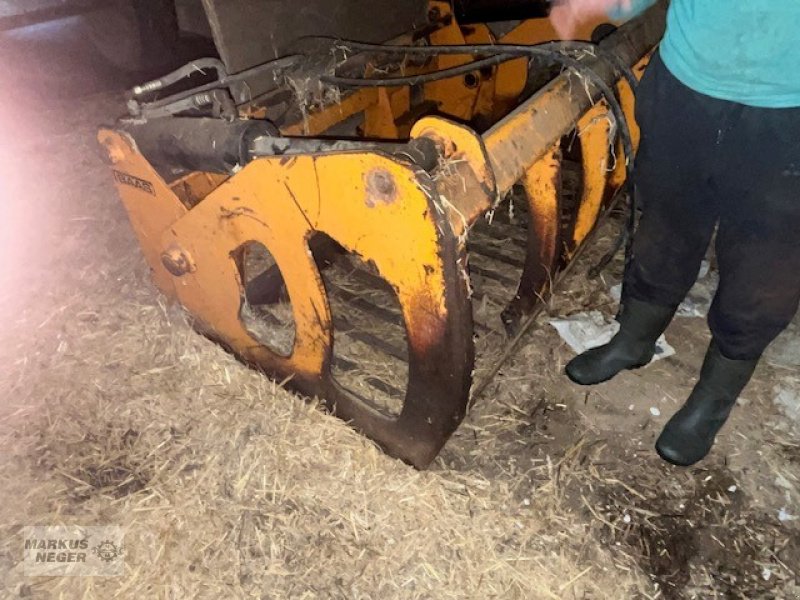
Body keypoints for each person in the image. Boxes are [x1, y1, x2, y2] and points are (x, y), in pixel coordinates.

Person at [549, 0, 800, 466]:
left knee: (766, 264)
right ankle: (635, 339)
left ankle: (714, 396)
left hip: (790, 111)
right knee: (665, 223)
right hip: (686, 85)